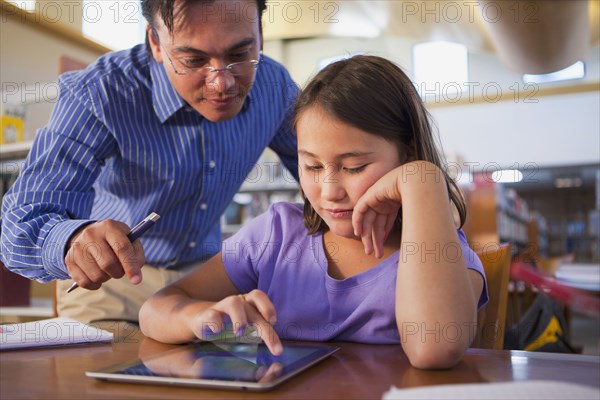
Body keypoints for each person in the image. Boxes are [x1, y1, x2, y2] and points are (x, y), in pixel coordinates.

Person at [139, 55, 489, 370]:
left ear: (407, 152)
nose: (330, 191)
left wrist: (423, 180)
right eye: (312, 166)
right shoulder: (275, 235)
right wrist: (199, 315)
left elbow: (434, 349)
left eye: (354, 167)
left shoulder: (441, 254)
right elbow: (155, 310)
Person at [0, 0, 298, 327]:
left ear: (260, 35)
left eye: (240, 54)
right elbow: (19, 223)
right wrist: (73, 240)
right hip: (112, 287)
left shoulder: (276, 88)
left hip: (206, 283)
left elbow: (328, 171)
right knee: (100, 375)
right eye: (193, 60)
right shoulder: (99, 91)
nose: (221, 83)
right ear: (155, 43)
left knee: (241, 369)